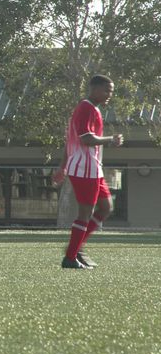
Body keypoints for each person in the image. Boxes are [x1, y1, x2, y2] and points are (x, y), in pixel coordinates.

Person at [52, 75, 123, 269]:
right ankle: (70, 257)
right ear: (94, 89)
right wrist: (110, 139)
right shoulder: (85, 107)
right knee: (85, 213)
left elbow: (71, 141)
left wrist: (62, 166)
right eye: (107, 90)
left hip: (92, 168)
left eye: (111, 91)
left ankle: (77, 247)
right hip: (84, 168)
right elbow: (85, 139)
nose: (110, 94)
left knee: (106, 207)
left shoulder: (93, 109)